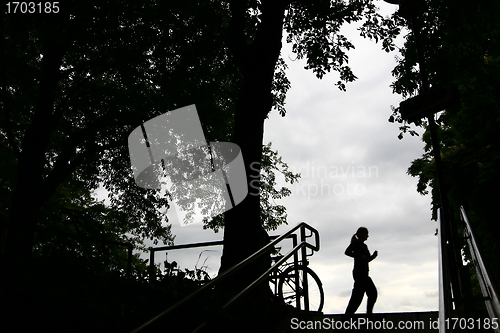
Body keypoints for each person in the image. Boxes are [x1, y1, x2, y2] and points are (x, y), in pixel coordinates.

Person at [344, 227, 378, 314]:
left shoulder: (364, 245)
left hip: (363, 273)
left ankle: (347, 317)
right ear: (361, 234)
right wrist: (359, 256)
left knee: (358, 297)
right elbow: (347, 252)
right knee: (369, 294)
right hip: (360, 273)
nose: (368, 236)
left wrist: (373, 256)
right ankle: (368, 315)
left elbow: (366, 260)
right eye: (366, 233)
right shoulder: (356, 243)